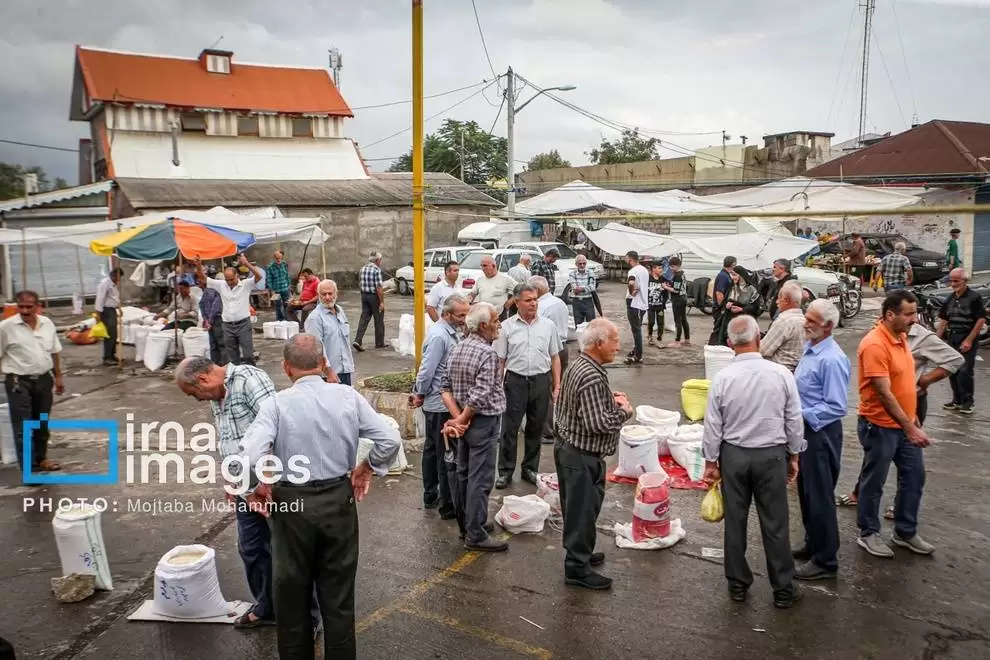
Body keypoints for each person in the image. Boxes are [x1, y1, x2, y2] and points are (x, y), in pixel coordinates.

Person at [237, 334, 400, 659]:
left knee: (291, 596)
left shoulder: (277, 404)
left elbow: (249, 456)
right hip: (338, 500)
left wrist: (253, 489)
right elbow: (390, 439)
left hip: (291, 505)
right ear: (324, 363)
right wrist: (367, 467)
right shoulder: (347, 397)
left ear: (286, 368)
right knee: (338, 599)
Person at [174, 355, 322, 635]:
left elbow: (281, 429)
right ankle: (268, 608)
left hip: (271, 485)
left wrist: (265, 481)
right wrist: (232, 481)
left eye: (194, 393)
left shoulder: (248, 380)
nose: (197, 400)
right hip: (245, 487)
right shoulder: (217, 396)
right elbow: (229, 441)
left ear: (203, 379)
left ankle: (306, 617)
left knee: (289, 553)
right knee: (252, 548)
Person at [702, 315, 805, 609]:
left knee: (735, 521)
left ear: (729, 344)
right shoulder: (781, 374)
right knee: (775, 523)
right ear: (759, 337)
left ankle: (737, 584)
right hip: (771, 456)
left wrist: (711, 462)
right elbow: (793, 420)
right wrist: (795, 454)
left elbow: (713, 425)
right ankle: (783, 588)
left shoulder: (722, 378)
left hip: (733, 456)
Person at [837, 316, 962, 511]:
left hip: (911, 403)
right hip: (881, 406)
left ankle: (900, 507)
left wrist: (924, 380)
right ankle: (860, 496)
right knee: (877, 458)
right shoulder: (879, 336)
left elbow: (955, 359)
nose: (909, 318)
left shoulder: (920, 336)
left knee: (908, 462)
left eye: (911, 313)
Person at [553, 318, 633, 591]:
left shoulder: (582, 365)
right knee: (581, 510)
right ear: (599, 343)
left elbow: (584, 404)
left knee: (580, 510)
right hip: (580, 456)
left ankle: (581, 553)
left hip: (571, 450)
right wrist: (624, 411)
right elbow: (597, 424)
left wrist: (608, 398)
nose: (618, 347)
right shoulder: (590, 375)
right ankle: (576, 567)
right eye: (614, 341)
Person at [855, 289, 934, 558]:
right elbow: (883, 392)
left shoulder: (900, 337)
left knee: (914, 476)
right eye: (909, 314)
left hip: (904, 424)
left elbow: (904, 383)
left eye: (914, 313)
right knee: (874, 481)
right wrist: (909, 426)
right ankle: (868, 533)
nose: (914, 319)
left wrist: (913, 417)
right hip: (879, 426)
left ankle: (905, 531)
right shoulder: (875, 344)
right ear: (890, 314)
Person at [440, 302, 507, 552]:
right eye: (495, 320)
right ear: (483, 326)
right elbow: (480, 395)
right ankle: (475, 533)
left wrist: (458, 419)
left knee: (464, 473)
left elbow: (445, 387)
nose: (498, 325)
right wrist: (463, 419)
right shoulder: (487, 353)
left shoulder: (458, 348)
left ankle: (468, 524)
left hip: (465, 422)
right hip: (481, 421)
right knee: (480, 478)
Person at [792, 300, 850, 581]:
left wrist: (797, 412)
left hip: (821, 432)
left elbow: (837, 406)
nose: (806, 324)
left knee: (819, 495)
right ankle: (813, 542)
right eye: (807, 318)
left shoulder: (832, 359)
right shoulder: (811, 348)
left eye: (812, 321)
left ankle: (826, 560)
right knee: (805, 491)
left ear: (828, 326)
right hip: (806, 431)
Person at [495, 283, 563, 488]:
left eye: (535, 299)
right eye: (528, 300)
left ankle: (530, 468)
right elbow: (500, 360)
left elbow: (555, 357)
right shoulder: (506, 327)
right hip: (515, 382)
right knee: (510, 428)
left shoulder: (548, 326)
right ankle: (505, 471)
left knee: (536, 427)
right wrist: (497, 386)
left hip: (541, 381)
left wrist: (557, 384)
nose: (533, 303)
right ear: (517, 303)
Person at [412, 294, 469, 521]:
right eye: (460, 315)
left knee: (433, 449)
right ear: (446, 314)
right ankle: (445, 503)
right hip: (439, 403)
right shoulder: (439, 336)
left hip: (443, 401)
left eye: (466, 314)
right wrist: (419, 393)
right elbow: (427, 370)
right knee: (444, 454)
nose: (464, 319)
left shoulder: (449, 333)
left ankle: (432, 494)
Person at [0, 290, 64, 477]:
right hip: (18, 382)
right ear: (17, 306)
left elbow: (54, 351)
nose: (25, 310)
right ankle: (29, 470)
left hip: (44, 380)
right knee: (23, 426)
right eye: (21, 306)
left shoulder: (47, 324)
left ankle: (41, 459)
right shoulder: (6, 327)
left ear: (38, 306)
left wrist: (58, 376)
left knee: (41, 422)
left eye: (29, 306)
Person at [196, 255, 262, 366]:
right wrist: (198, 266)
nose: (230, 282)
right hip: (227, 326)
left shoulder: (246, 284)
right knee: (232, 356)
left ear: (237, 276)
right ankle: (235, 377)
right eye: (227, 280)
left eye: (232, 279)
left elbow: (258, 276)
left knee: (248, 355)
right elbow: (203, 278)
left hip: (243, 325)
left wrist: (246, 264)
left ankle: (253, 375)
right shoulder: (221, 285)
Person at [936, 267, 984, 414]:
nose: (953, 284)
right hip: (952, 337)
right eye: (951, 281)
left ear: (965, 281)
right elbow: (943, 320)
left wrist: (969, 340)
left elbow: (980, 320)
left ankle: (968, 401)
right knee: (952, 370)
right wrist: (936, 339)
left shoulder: (974, 297)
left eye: (956, 281)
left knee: (965, 370)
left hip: (967, 336)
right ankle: (957, 400)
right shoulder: (950, 299)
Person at [532, 276, 570, 444]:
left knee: (545, 391)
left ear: (537, 291)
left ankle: (546, 430)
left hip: (548, 350)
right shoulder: (559, 302)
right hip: (562, 347)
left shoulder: (542, 306)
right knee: (558, 388)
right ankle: (559, 425)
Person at [303, 280, 355, 386]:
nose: (327, 297)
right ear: (318, 295)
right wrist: (329, 372)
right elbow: (316, 350)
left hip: (345, 370)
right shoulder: (314, 318)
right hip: (329, 375)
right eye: (323, 294)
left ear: (336, 294)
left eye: (330, 293)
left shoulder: (339, 310)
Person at [760, 281, 806, 372]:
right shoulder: (804, 320)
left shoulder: (784, 320)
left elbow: (763, 350)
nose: (777, 302)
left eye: (779, 298)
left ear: (787, 300)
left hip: (778, 372)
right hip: (796, 371)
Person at [713, 268, 761, 346]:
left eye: (734, 275)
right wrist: (727, 305)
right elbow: (725, 301)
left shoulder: (751, 290)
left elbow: (756, 307)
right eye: (731, 275)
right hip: (729, 319)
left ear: (741, 276)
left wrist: (742, 309)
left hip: (744, 320)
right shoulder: (732, 287)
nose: (732, 277)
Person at [353, 252, 386, 351]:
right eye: (380, 260)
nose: (381, 262)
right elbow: (379, 288)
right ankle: (379, 343)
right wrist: (381, 302)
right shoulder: (376, 270)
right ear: (377, 260)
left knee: (364, 318)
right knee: (379, 319)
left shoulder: (363, 269)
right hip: (373, 297)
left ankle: (357, 340)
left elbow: (360, 283)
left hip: (364, 295)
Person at [467, 255, 516, 319]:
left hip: (499, 316)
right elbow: (473, 293)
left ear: (493, 266)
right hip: (483, 316)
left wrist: (510, 301)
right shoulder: (480, 279)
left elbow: (521, 290)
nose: (482, 268)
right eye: (481, 266)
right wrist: (468, 301)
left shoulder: (505, 279)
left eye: (485, 265)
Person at [624, 251, 650, 365]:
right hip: (643, 302)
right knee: (637, 327)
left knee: (636, 330)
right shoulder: (644, 270)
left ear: (630, 259)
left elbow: (631, 282)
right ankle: (636, 350)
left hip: (634, 302)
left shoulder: (633, 271)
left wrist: (631, 291)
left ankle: (638, 355)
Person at [94, 267, 122, 365]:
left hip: (112, 310)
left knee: (114, 334)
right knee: (110, 334)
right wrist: (98, 314)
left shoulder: (113, 284)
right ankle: (107, 357)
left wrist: (119, 308)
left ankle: (112, 355)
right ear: (114, 275)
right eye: (118, 277)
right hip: (106, 311)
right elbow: (100, 299)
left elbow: (114, 298)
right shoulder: (105, 283)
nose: (119, 280)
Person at [663, 257, 690, 347]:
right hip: (683, 298)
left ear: (677, 266)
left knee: (677, 321)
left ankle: (677, 342)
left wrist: (665, 287)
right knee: (683, 319)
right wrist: (670, 284)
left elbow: (676, 290)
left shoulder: (677, 275)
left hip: (678, 299)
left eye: (672, 266)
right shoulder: (682, 273)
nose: (671, 268)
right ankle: (687, 339)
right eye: (670, 266)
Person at [711, 256, 737, 345]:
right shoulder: (723, 276)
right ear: (733, 264)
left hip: (720, 307)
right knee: (718, 329)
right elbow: (719, 293)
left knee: (721, 329)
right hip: (719, 308)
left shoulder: (726, 275)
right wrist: (722, 307)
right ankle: (715, 345)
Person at [198, 283, 225, 365]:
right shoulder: (206, 291)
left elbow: (215, 307)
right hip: (212, 320)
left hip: (216, 320)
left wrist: (208, 320)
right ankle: (218, 364)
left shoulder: (211, 291)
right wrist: (206, 320)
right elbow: (202, 305)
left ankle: (221, 364)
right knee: (215, 344)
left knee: (219, 343)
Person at [568, 255, 597, 326]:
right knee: (578, 324)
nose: (582, 265)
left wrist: (581, 289)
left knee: (591, 324)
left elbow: (592, 287)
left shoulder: (591, 273)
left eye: (584, 263)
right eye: (580, 263)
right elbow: (574, 289)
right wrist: (586, 288)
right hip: (577, 301)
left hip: (588, 301)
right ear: (576, 264)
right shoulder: (572, 274)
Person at [646, 261, 668, 348]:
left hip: (660, 306)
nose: (661, 270)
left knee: (660, 323)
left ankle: (659, 340)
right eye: (659, 268)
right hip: (650, 305)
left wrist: (664, 302)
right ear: (653, 269)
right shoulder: (648, 278)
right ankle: (650, 336)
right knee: (651, 322)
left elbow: (666, 292)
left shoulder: (663, 279)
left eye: (661, 268)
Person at [266, 251, 291, 322]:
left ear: (281, 257)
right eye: (277, 258)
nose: (278, 259)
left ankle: (287, 318)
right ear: (274, 258)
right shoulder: (270, 266)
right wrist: (271, 290)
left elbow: (287, 275)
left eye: (280, 258)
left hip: (285, 288)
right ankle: (279, 319)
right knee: (278, 305)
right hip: (276, 289)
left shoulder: (284, 264)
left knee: (287, 304)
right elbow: (269, 279)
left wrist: (289, 285)